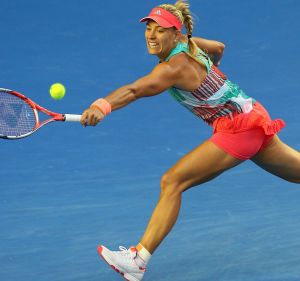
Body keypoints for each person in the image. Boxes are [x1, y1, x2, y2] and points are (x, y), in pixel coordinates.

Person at [80, 1, 300, 280]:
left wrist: (102, 106)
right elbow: (218, 47)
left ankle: (138, 259)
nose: (151, 36)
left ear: (175, 33)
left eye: (160, 31)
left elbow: (135, 90)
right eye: (149, 28)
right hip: (252, 113)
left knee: (172, 181)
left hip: (238, 129)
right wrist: (210, 75)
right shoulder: (190, 43)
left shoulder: (171, 69)